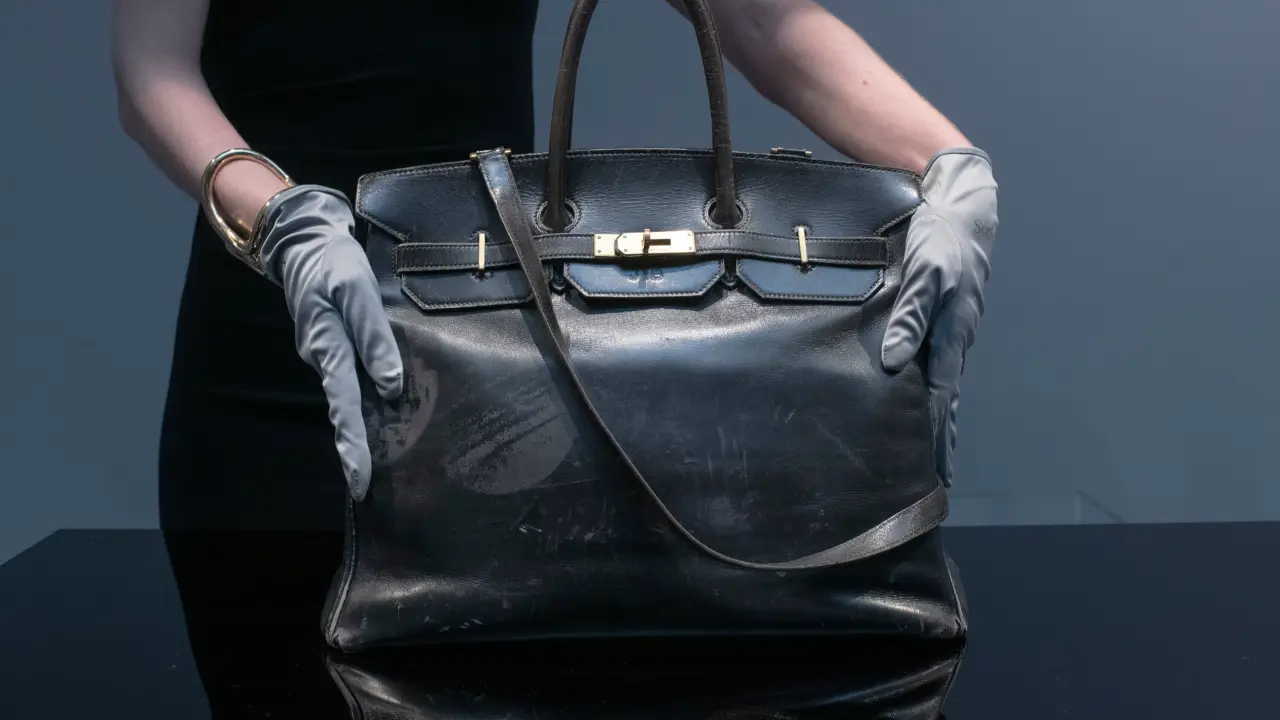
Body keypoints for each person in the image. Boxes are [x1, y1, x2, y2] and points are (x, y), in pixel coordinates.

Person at [112, 0, 997, 708]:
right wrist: (279, 218)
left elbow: (760, 18)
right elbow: (152, 71)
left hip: (489, 352)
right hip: (268, 366)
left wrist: (950, 164)